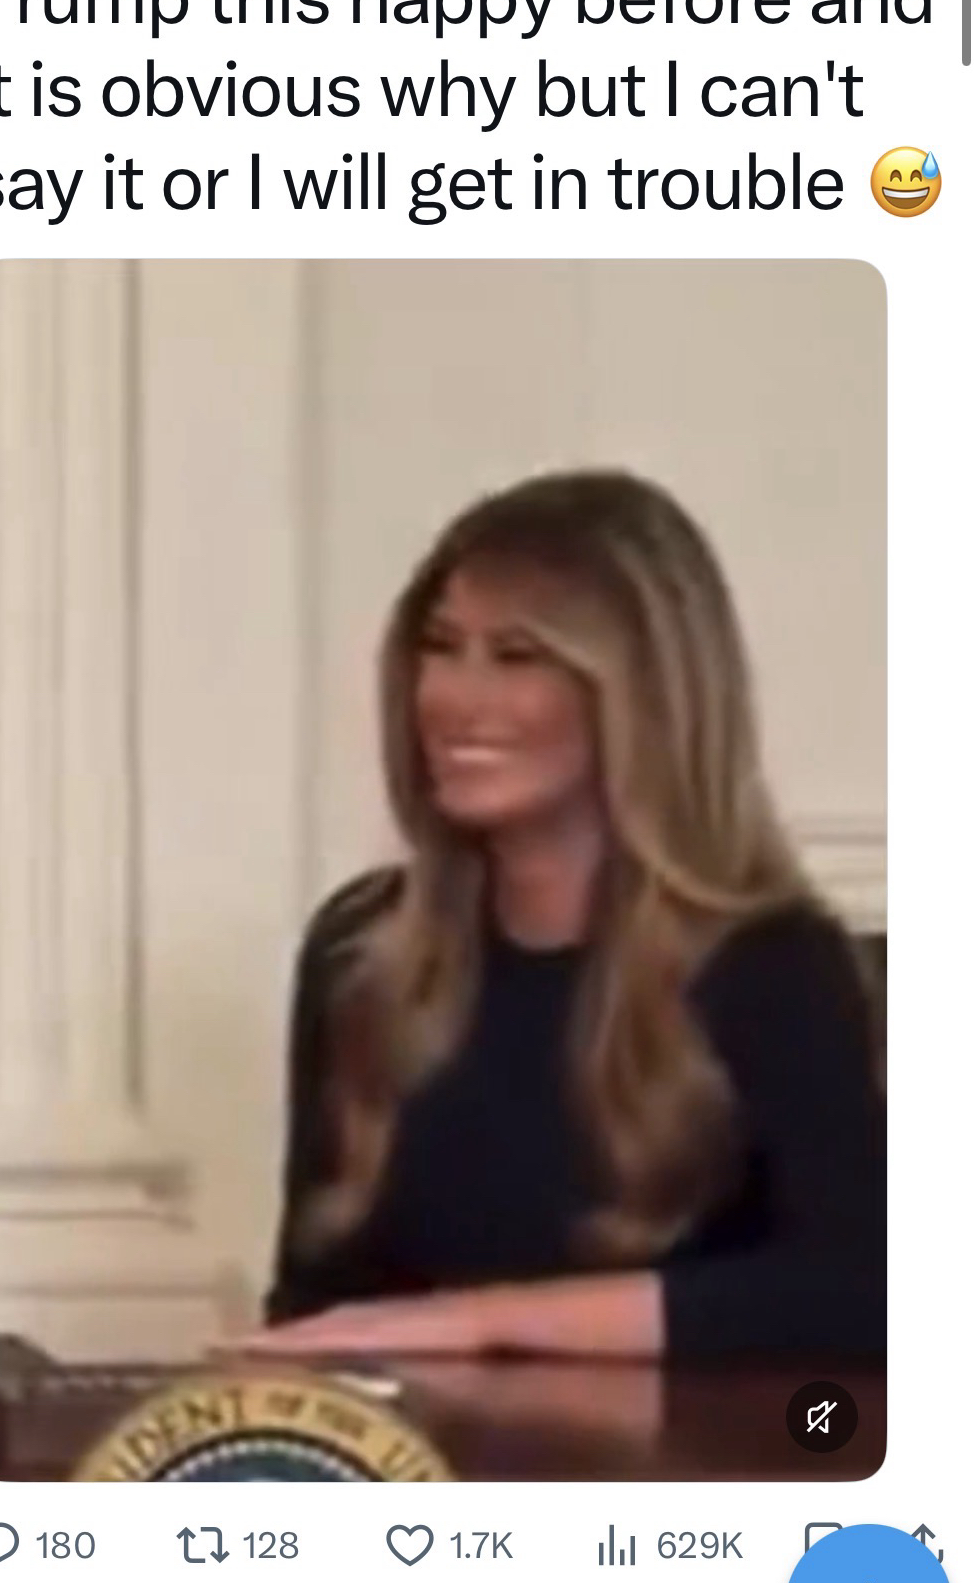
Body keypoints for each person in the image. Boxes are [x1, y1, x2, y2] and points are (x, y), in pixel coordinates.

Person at [240, 470, 884, 1363]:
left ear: (644, 694)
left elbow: (860, 1294)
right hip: (419, 1450)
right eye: (441, 646)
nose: (454, 698)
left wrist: (482, 1320)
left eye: (517, 656)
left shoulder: (774, 961)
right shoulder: (362, 948)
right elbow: (318, 1303)